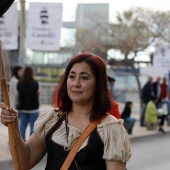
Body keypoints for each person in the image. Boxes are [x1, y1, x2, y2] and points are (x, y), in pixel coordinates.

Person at [0, 52, 131, 170]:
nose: (76, 83)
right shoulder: (52, 120)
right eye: (72, 76)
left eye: (84, 78)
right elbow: (24, 162)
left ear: (99, 84)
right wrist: (14, 127)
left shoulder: (110, 128)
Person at [17, 66, 39, 141]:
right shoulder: (35, 83)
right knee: (33, 127)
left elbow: (19, 95)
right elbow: (36, 93)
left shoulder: (19, 83)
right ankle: (30, 143)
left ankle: (22, 142)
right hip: (33, 108)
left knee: (22, 126)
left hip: (22, 108)